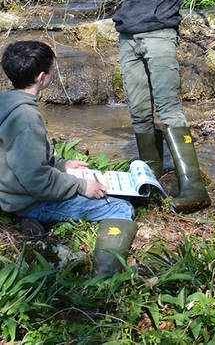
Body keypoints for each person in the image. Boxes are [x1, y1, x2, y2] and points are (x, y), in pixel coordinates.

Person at [85, 0, 212, 213]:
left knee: (168, 108)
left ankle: (193, 186)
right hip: (128, 35)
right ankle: (151, 178)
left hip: (160, 34)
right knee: (139, 110)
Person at [0, 41, 137, 275]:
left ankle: (32, 222)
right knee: (122, 209)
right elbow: (37, 179)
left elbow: (19, 155)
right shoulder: (26, 118)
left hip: (11, 191)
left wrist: (62, 164)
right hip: (29, 200)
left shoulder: (7, 102)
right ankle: (105, 277)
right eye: (52, 70)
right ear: (42, 77)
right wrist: (82, 186)